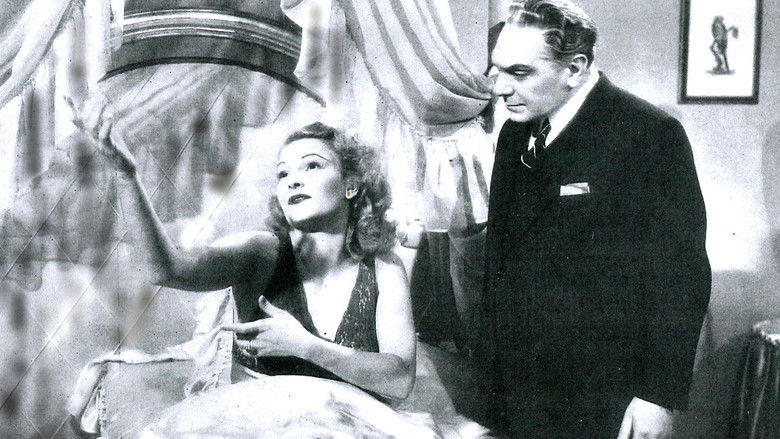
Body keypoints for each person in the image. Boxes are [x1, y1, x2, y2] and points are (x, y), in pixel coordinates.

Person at [72, 98, 417, 400]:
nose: (293, 180)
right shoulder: (261, 252)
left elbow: (400, 381)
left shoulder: (384, 269)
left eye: (312, 165)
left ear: (351, 186)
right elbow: (167, 269)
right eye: (283, 174)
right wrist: (126, 174)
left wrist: (306, 347)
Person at [483, 1, 711, 438]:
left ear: (575, 68)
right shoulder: (514, 134)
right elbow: (500, 262)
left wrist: (658, 396)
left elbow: (681, 275)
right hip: (517, 393)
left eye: (519, 73)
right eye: (497, 70)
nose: (500, 88)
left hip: (604, 396)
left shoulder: (649, 135)